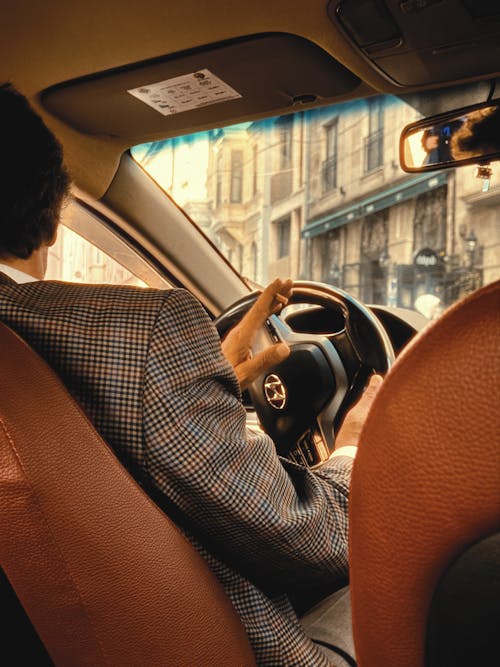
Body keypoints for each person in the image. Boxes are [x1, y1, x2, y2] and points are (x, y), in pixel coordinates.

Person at [0, 82, 382, 666]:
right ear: (52, 219)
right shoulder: (144, 331)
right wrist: (357, 450)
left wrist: (197, 392)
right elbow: (312, 539)